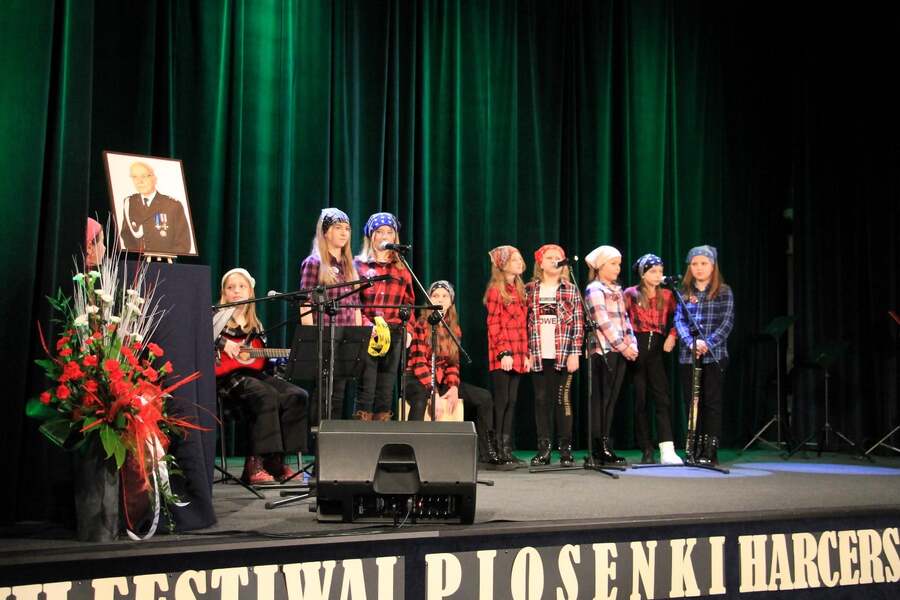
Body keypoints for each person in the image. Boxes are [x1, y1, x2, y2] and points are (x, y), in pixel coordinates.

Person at [214, 268, 309, 485]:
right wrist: (223, 343)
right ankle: (254, 464)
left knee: (296, 395)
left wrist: (281, 363)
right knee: (265, 394)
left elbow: (262, 363)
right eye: (231, 287)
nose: (236, 291)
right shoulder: (215, 319)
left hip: (254, 376)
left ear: (250, 292)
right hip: (226, 378)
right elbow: (200, 335)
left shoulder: (255, 326)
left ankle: (276, 462)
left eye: (242, 286)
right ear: (223, 293)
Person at [406, 281, 503, 468]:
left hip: (441, 380)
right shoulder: (421, 325)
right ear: (429, 300)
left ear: (451, 302)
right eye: (435, 296)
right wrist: (433, 393)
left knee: (484, 397)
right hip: (419, 379)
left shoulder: (454, 328)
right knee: (419, 399)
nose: (440, 299)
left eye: (445, 296)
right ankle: (412, 452)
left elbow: (453, 363)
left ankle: (487, 452)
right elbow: (419, 363)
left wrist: (453, 387)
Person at [298, 208, 362, 421]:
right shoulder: (314, 263)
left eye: (347, 229)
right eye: (338, 228)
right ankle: (317, 438)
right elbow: (306, 303)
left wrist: (358, 338)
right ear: (325, 232)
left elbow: (355, 306)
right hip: (325, 337)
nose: (344, 233)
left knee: (339, 393)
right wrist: (311, 339)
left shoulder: (350, 266)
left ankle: (333, 438)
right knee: (324, 393)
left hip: (347, 338)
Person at [674, 245, 734, 466]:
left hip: (714, 355)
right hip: (688, 356)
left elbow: (727, 322)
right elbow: (679, 320)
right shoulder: (683, 292)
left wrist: (707, 343)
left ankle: (710, 449)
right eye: (694, 264)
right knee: (692, 402)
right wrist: (691, 342)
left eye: (704, 263)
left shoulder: (723, 291)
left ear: (712, 266)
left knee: (711, 402)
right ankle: (693, 447)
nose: (699, 268)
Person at [353, 212, 415, 421]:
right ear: (371, 236)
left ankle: (381, 431)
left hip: (394, 332)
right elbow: (354, 302)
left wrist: (409, 330)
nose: (385, 236)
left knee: (386, 389)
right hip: (369, 332)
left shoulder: (402, 268)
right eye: (380, 232)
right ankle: (361, 433)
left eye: (389, 232)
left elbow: (409, 304)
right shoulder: (359, 265)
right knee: (367, 386)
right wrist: (366, 325)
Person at [525, 244, 582, 467]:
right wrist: (527, 353)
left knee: (562, 400)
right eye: (549, 257)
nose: (554, 261)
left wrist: (575, 353)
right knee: (541, 401)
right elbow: (524, 324)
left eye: (558, 257)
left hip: (563, 354)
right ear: (540, 263)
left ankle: (565, 450)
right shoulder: (530, 289)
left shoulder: (570, 290)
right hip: (539, 354)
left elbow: (578, 323)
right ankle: (544, 449)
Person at [623, 253, 682, 465]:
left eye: (660, 271)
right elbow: (622, 320)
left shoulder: (667, 295)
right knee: (640, 400)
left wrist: (672, 336)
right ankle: (646, 447)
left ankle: (667, 448)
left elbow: (679, 318)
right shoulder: (630, 293)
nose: (658, 275)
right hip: (637, 348)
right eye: (653, 271)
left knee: (662, 398)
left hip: (658, 348)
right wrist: (627, 343)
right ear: (643, 274)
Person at [583, 245, 639, 467]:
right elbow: (603, 322)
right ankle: (598, 447)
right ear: (600, 266)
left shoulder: (616, 289)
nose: (618, 268)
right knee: (601, 400)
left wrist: (632, 343)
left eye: (619, 264)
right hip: (603, 351)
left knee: (611, 400)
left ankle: (606, 444)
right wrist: (622, 346)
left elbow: (624, 320)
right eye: (613, 264)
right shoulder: (595, 289)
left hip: (619, 350)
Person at [483, 245, 530, 468]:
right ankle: (496, 450)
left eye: (520, 259)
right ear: (503, 265)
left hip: (519, 352)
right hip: (503, 354)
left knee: (512, 401)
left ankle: (507, 448)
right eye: (514, 260)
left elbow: (524, 325)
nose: (520, 263)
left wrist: (526, 354)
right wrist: (504, 352)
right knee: (501, 402)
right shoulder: (496, 290)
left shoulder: (520, 290)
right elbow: (494, 324)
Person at [119, 161, 192, 254]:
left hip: (165, 261)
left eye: (144, 176)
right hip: (139, 261)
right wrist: (138, 257)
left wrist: (165, 260)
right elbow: (126, 234)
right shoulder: (129, 203)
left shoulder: (172, 205)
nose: (139, 181)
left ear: (154, 179)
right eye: (135, 177)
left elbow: (183, 244)